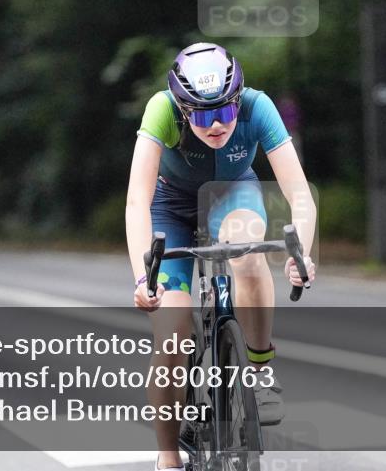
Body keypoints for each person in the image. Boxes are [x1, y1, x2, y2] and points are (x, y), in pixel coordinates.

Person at [126, 43, 317, 471]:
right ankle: (169, 457)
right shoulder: (161, 109)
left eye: (225, 112)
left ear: (238, 101)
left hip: (234, 194)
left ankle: (261, 368)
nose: (215, 125)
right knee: (173, 334)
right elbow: (137, 200)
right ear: (181, 107)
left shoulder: (258, 107)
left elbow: (299, 192)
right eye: (200, 114)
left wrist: (300, 251)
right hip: (169, 208)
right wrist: (144, 279)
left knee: (248, 254)